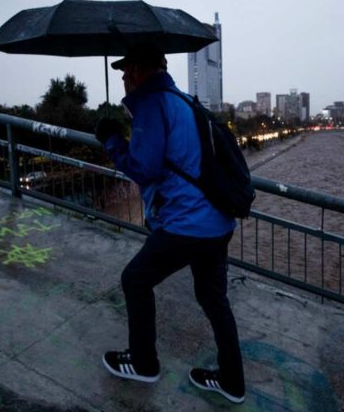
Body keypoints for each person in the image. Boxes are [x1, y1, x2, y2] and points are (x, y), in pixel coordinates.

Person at [94, 42, 245, 404]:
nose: (125, 77)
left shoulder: (151, 104)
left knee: (135, 279)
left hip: (187, 224)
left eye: (128, 69)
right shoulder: (184, 101)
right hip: (218, 222)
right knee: (213, 298)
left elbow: (145, 169)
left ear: (143, 69)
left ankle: (144, 362)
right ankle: (232, 382)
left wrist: (113, 140)